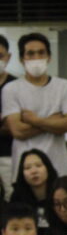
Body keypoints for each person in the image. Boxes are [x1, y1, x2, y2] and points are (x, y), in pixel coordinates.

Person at [1, 32, 67, 181]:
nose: (36, 58)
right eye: (30, 54)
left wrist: (34, 120)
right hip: (25, 169)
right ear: (21, 59)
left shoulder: (64, 86)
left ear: (49, 57)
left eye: (41, 53)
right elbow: (18, 131)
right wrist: (54, 121)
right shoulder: (11, 89)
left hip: (59, 166)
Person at [10, 148, 58, 235]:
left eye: (38, 165)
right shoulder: (16, 198)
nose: (34, 171)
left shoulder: (59, 192)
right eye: (27, 168)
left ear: (48, 168)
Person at [0, 34, 16, 199]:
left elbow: (17, 126)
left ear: (8, 57)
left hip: (10, 155)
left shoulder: (16, 86)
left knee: (11, 199)